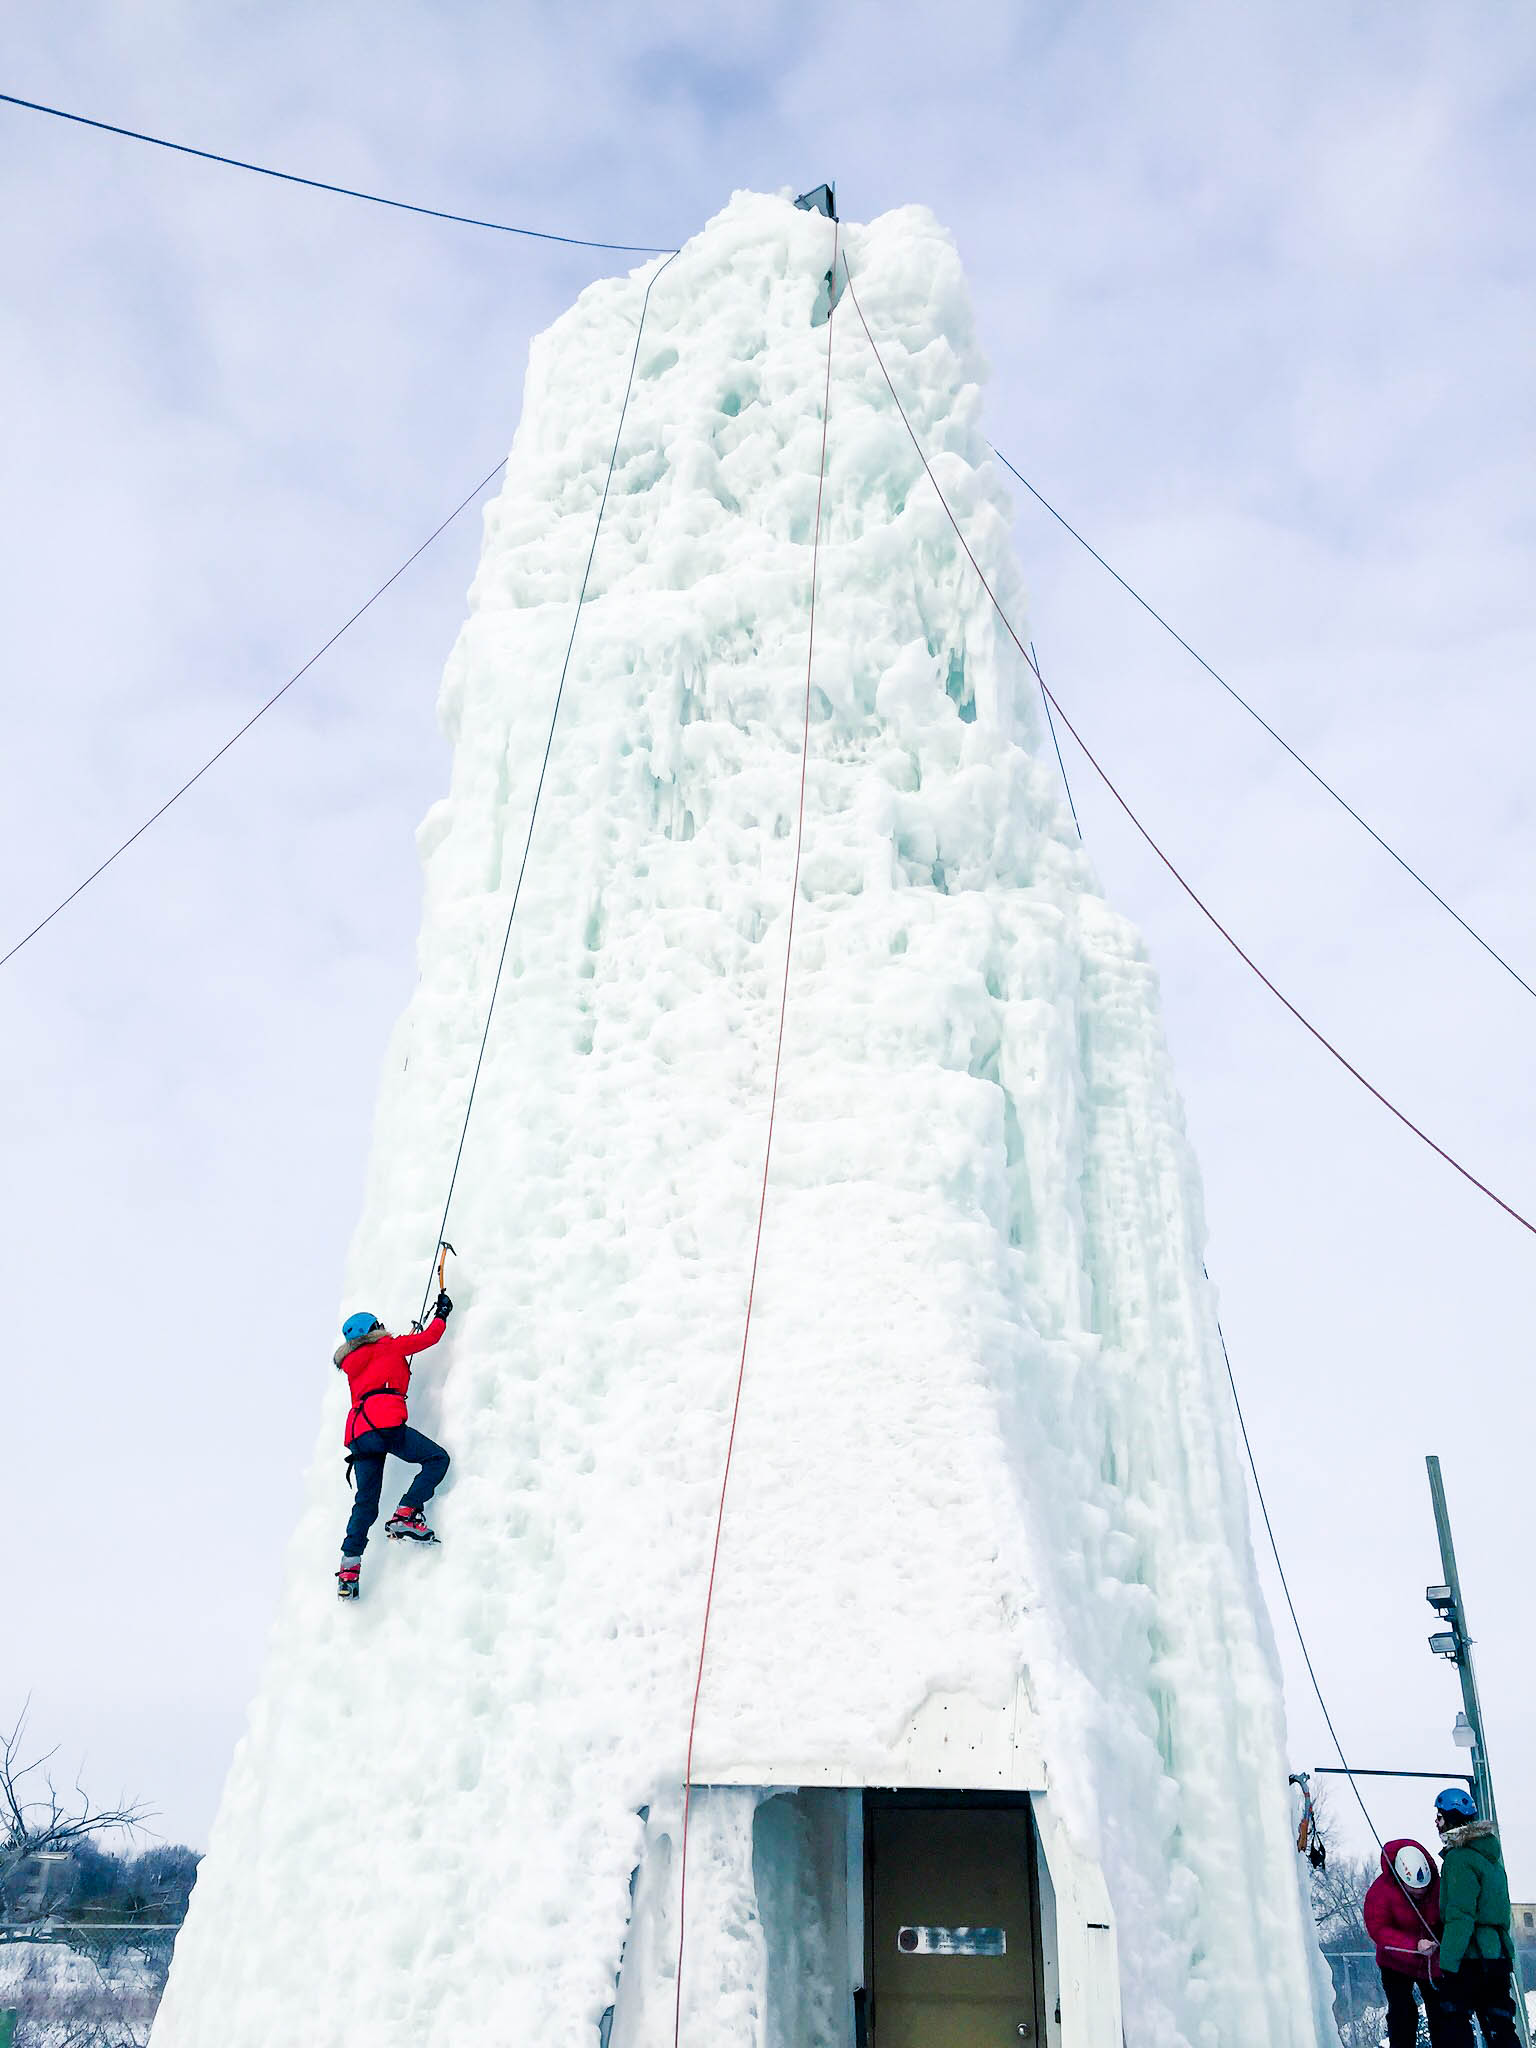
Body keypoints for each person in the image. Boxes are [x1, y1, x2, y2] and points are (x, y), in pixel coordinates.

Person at [333, 1287, 454, 1599]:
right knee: (436, 1459)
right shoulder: (387, 1346)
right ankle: (406, 1513)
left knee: (365, 1503)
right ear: (373, 1330)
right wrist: (441, 1315)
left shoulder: (353, 1364)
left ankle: (349, 1567)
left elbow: (382, 1371)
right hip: (384, 1421)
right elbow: (428, 1339)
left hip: (359, 1433)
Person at [1424, 1786, 1520, 2048]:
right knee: (1500, 2026)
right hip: (1497, 1954)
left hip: (1472, 1957)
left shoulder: (1460, 1859)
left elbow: (1460, 1916)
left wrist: (1448, 1965)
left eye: (1440, 1816)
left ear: (1453, 1819)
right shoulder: (1489, 1857)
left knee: (1454, 2023)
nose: (1436, 1822)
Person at [1364, 1837, 1448, 2047]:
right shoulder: (1380, 1892)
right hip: (1395, 1962)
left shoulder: (1439, 1886)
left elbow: (1449, 1916)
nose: (1420, 1894)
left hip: (1432, 1963)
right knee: (1402, 2012)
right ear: (1401, 1881)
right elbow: (1378, 1930)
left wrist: (1442, 1940)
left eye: (1424, 1890)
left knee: (1441, 2013)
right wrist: (1414, 1945)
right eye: (1414, 1891)